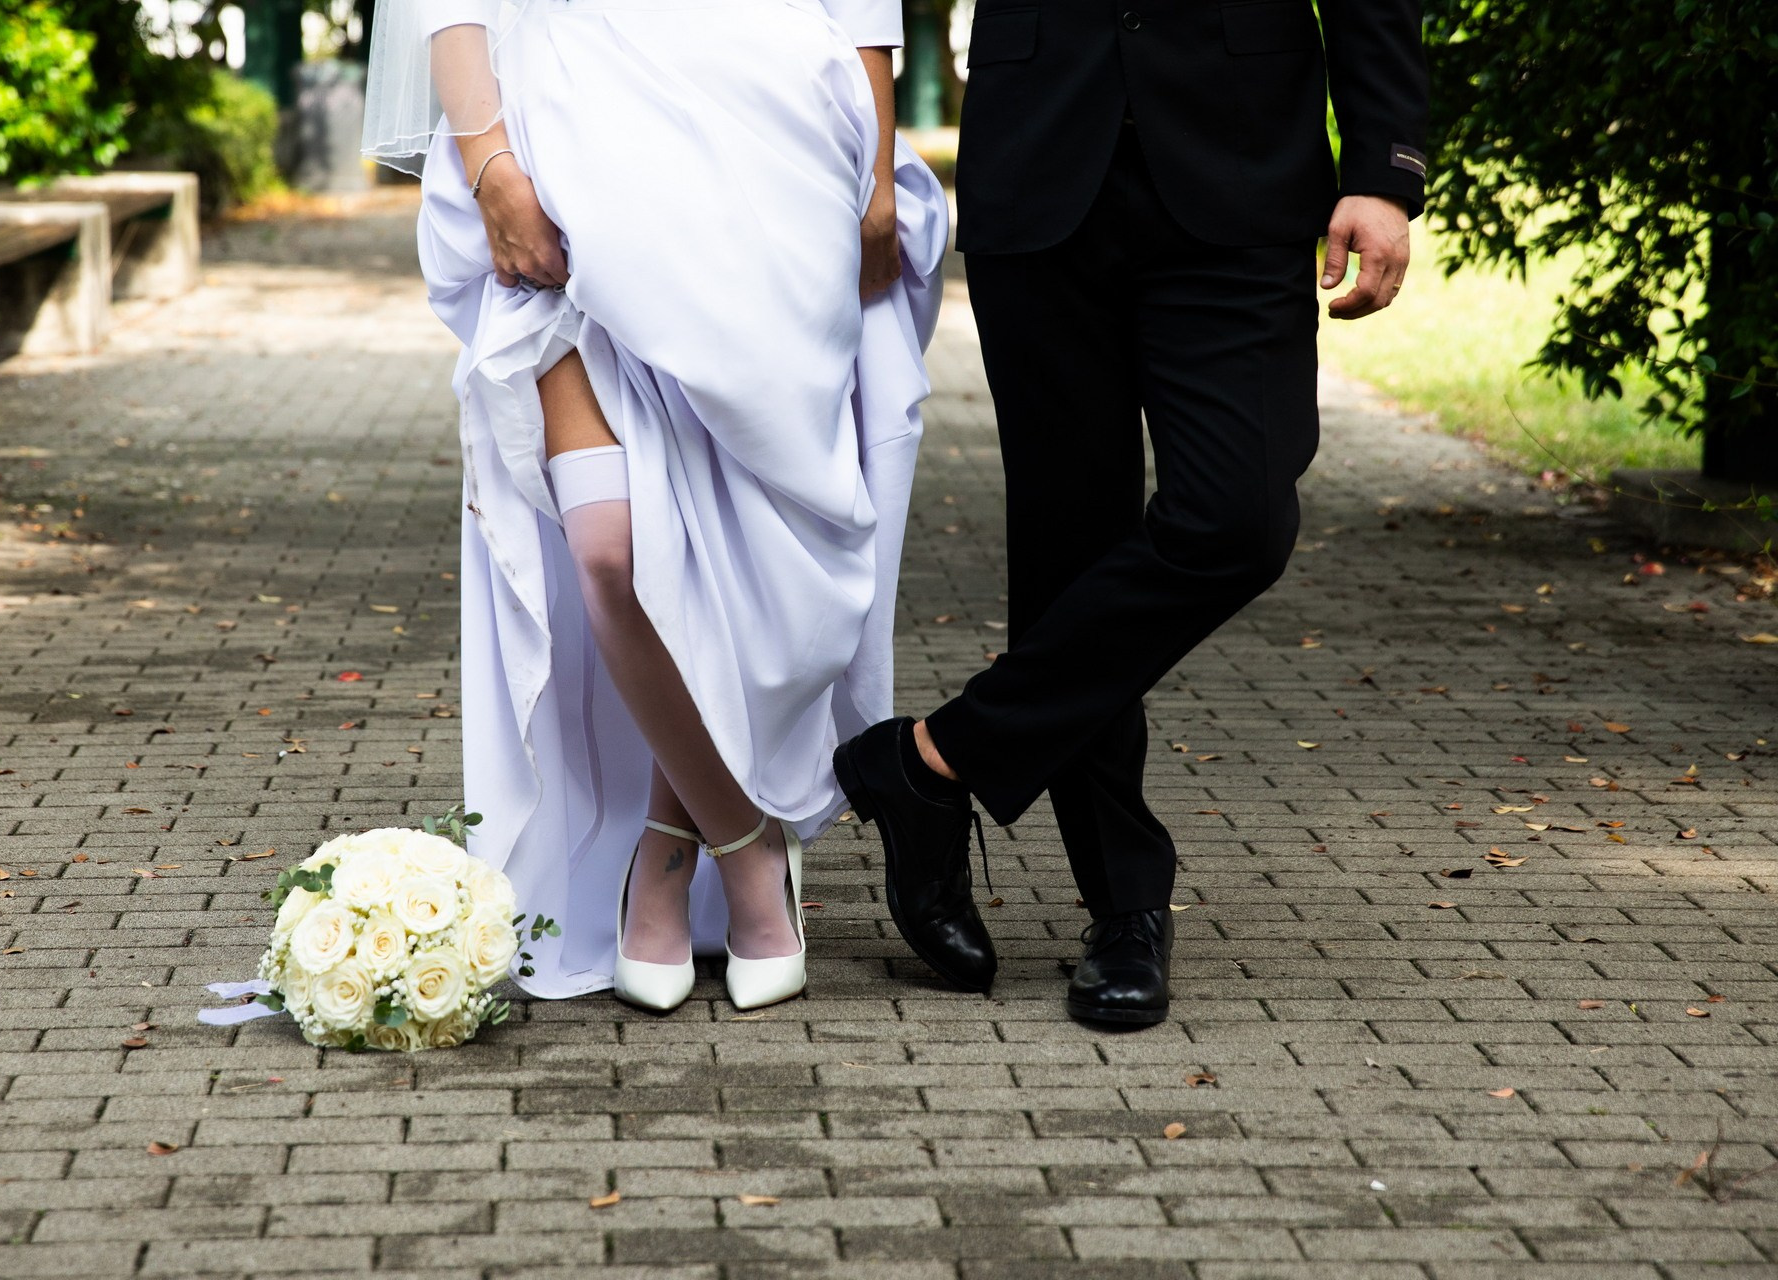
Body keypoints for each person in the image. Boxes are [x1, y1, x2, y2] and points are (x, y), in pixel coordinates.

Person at [834, 0, 1427, 1025]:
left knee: (1239, 515)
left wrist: (1382, 168)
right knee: (1069, 549)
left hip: (1241, 167)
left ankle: (935, 758)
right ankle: (1124, 908)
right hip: (1042, 161)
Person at [364, 0, 947, 1011]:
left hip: (773, 146)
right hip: (566, 131)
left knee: (740, 536)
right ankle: (749, 842)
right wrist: (493, 161)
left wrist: (878, 160)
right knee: (610, 549)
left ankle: (669, 842)